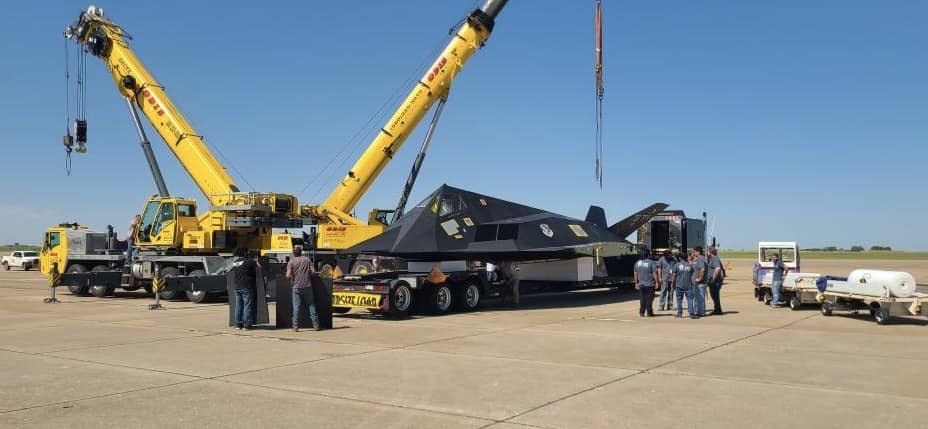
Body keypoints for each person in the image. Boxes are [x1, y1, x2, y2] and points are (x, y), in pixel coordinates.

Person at [286, 246, 319, 331]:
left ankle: (295, 327)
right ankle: (316, 326)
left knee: (296, 308)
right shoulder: (307, 260)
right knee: (311, 306)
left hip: (296, 287)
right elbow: (314, 272)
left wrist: (292, 275)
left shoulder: (291, 261)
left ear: (294, 253)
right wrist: (307, 274)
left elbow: (288, 275)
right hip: (307, 286)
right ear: (301, 252)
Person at [232, 248, 260, 330]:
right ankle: (246, 325)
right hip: (246, 286)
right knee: (247, 305)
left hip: (237, 286)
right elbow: (259, 267)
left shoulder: (235, 262)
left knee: (238, 306)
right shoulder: (249, 262)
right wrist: (255, 260)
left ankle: (238, 324)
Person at [672, 251, 697, 319]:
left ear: (680, 258)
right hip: (688, 285)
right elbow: (692, 274)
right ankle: (691, 314)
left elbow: (674, 275)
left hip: (679, 285)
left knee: (679, 300)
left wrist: (673, 284)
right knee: (690, 299)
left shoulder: (677, 265)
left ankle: (679, 314)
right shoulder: (690, 266)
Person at [633, 251, 659, 317]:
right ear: (648, 255)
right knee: (649, 299)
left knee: (642, 299)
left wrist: (636, 283)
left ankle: (642, 312)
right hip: (650, 284)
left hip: (641, 284)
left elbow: (635, 273)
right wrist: (657, 282)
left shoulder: (638, 263)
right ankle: (649, 313)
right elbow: (654, 273)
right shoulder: (651, 262)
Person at [707, 246, 725, 315]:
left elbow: (718, 268)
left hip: (715, 282)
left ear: (710, 252)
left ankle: (718, 310)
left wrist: (713, 278)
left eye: (708, 251)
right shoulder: (712, 258)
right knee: (714, 295)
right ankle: (717, 309)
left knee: (715, 295)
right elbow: (722, 268)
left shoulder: (715, 258)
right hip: (716, 281)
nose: (707, 252)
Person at [692, 246, 708, 317]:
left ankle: (701, 312)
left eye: (694, 251)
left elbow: (702, 269)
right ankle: (698, 311)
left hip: (700, 283)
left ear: (698, 252)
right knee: (697, 298)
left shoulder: (701, 259)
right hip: (697, 283)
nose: (693, 253)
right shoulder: (698, 259)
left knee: (700, 298)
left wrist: (699, 278)